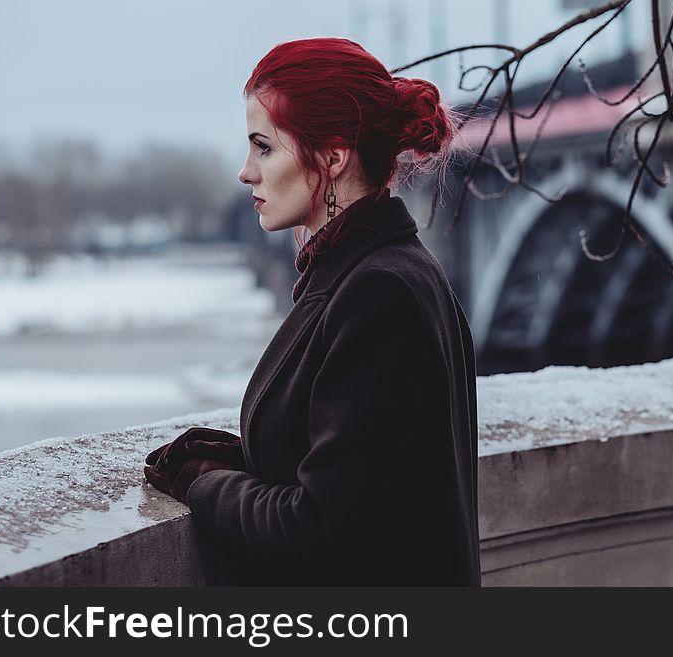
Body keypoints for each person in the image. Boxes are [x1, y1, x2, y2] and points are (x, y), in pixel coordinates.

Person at [143, 37, 480, 586]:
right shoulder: (379, 272)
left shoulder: (380, 294)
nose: (246, 172)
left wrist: (203, 483)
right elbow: (365, 474)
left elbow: (322, 528)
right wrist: (242, 460)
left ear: (332, 156)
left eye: (264, 147)